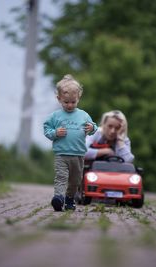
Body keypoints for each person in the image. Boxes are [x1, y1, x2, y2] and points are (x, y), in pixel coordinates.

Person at [43, 74, 97, 211]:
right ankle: (58, 198)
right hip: (61, 154)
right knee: (61, 177)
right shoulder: (55, 116)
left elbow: (93, 127)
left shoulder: (83, 115)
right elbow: (47, 129)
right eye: (66, 102)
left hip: (78, 155)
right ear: (59, 99)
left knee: (75, 181)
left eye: (73, 102)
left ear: (78, 98)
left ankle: (69, 199)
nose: (70, 105)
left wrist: (91, 128)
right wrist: (55, 133)